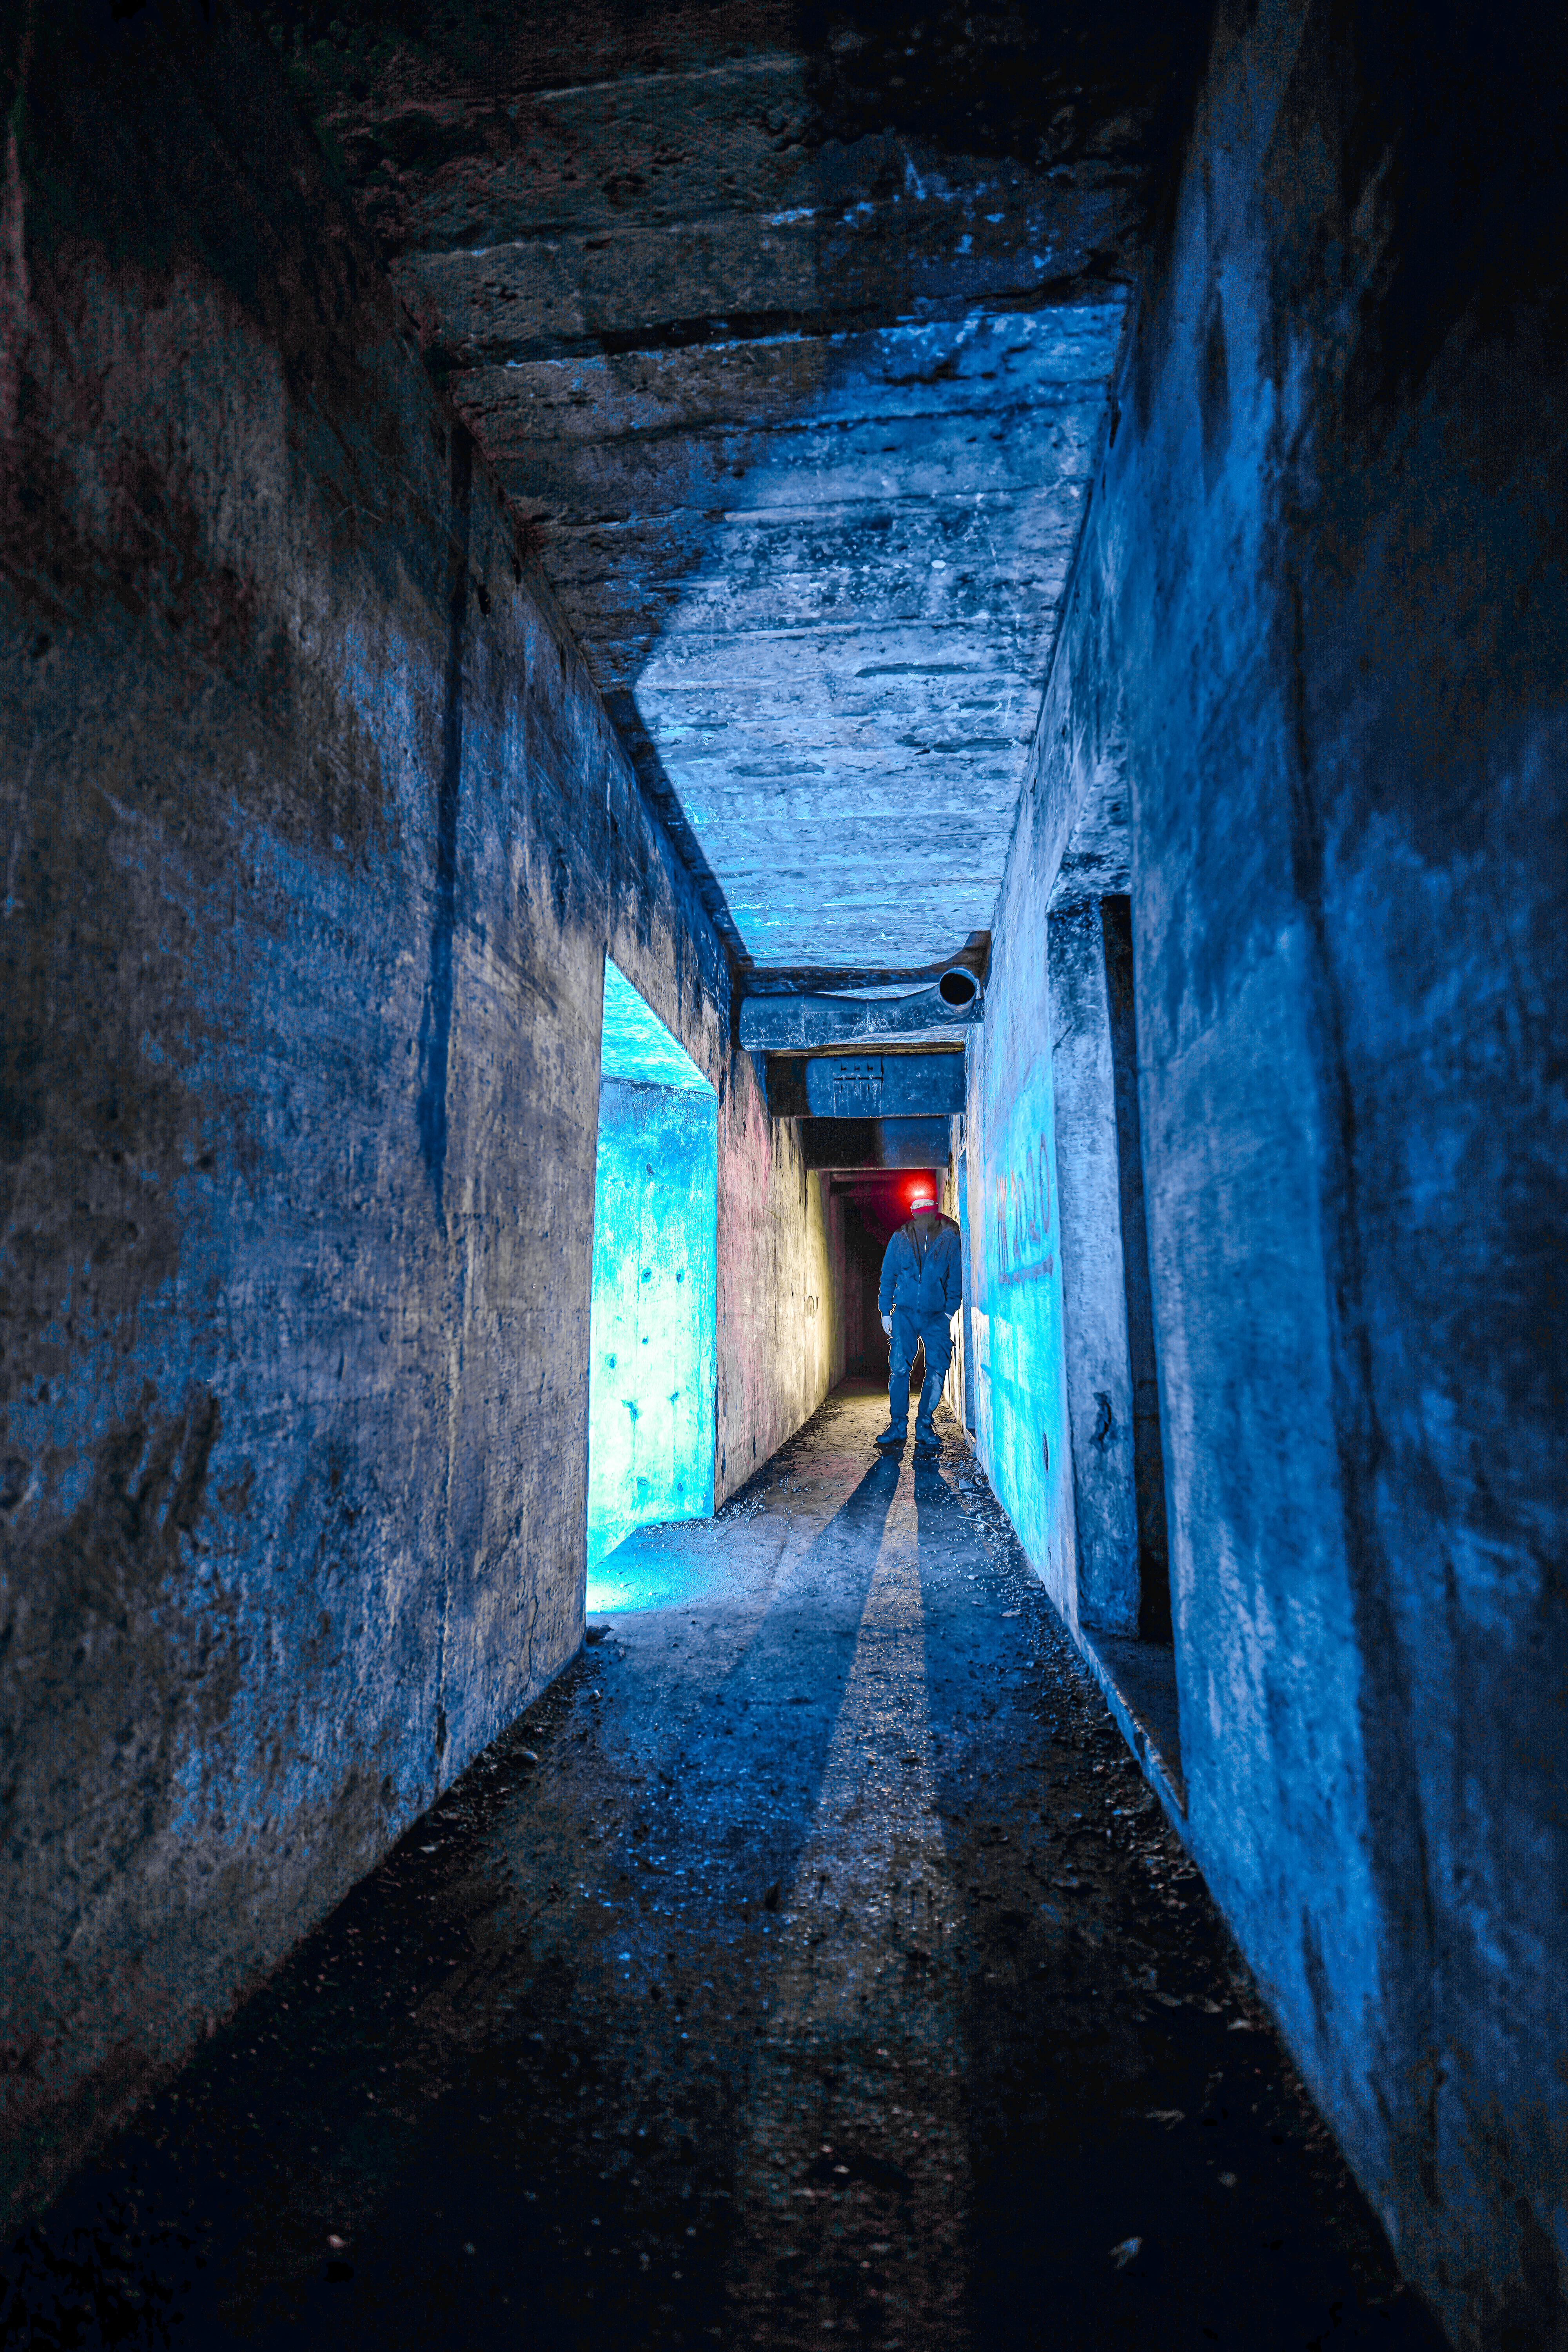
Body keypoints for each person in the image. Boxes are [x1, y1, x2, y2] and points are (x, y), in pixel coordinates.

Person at [875, 1177, 962, 1461]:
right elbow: (888, 1275)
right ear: (912, 1209)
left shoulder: (950, 1235)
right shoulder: (901, 1237)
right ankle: (898, 1426)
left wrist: (950, 1310)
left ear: (934, 1207)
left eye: (927, 1205)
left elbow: (956, 1276)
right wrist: (885, 1310)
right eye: (918, 1205)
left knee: (937, 1367)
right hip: (905, 1314)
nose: (922, 1210)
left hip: (937, 1315)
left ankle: (924, 1426)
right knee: (899, 1368)